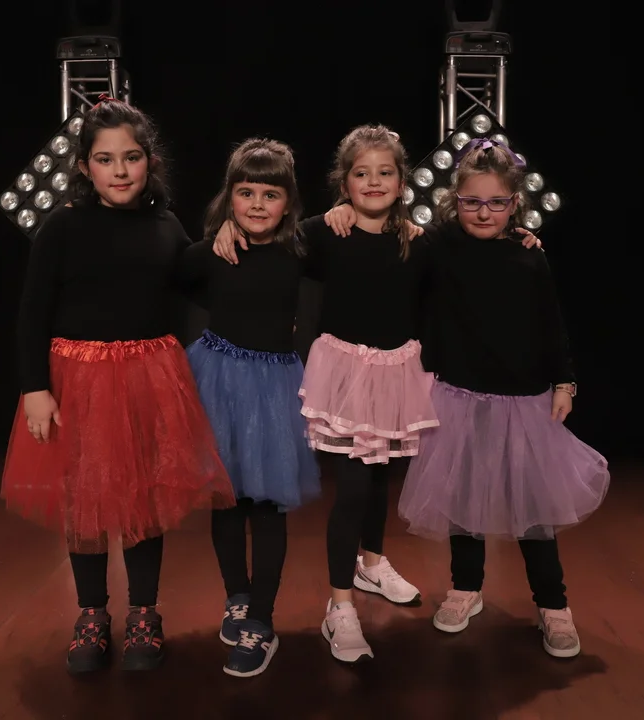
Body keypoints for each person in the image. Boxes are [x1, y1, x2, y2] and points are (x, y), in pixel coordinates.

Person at [327, 137, 608, 658]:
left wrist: (564, 381)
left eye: (497, 202)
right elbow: (385, 236)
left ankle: (553, 605)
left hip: (523, 399)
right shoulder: (436, 246)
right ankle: (465, 588)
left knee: (533, 510)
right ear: (453, 200)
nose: (484, 212)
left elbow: (551, 324)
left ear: (515, 203)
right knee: (463, 500)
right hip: (457, 394)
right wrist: (343, 210)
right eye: (472, 201)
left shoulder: (528, 256)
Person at [0, 97, 235, 675]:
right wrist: (35, 388)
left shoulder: (165, 225)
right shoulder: (62, 227)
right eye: (105, 160)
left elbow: (197, 281)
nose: (120, 170)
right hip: (77, 379)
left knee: (142, 500)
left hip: (148, 379)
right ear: (85, 167)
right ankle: (91, 613)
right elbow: (31, 312)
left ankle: (144, 612)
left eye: (131, 157)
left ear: (150, 161)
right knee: (84, 499)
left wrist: (233, 237)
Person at [214, 125, 431, 663]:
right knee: (353, 488)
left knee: (379, 480)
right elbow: (270, 233)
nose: (373, 182)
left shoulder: (417, 239)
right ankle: (340, 606)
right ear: (344, 182)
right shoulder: (326, 231)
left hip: (396, 373)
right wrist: (226, 225)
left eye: (385, 172)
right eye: (361, 173)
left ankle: (373, 563)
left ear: (402, 181)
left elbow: (467, 262)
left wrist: (521, 235)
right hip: (346, 376)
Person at [179, 138, 322, 677]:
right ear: (229, 196)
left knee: (266, 506)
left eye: (270, 194)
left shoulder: (301, 248)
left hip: (274, 388)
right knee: (226, 500)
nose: (258, 204)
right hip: (217, 380)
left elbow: (359, 236)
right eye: (246, 193)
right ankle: (236, 596)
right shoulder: (211, 252)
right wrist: (216, 233)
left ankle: (261, 619)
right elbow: (168, 276)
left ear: (289, 202)